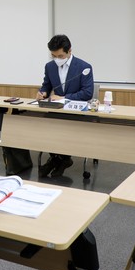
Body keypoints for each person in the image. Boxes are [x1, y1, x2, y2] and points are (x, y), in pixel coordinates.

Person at [35, 34, 94, 177]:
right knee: (44, 127)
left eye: (60, 56)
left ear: (69, 51)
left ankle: (59, 160)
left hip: (76, 113)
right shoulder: (50, 66)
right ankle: (60, 159)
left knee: (62, 128)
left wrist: (64, 98)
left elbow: (87, 93)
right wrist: (42, 93)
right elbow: (46, 85)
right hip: (56, 111)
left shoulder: (84, 67)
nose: (57, 59)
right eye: (54, 56)